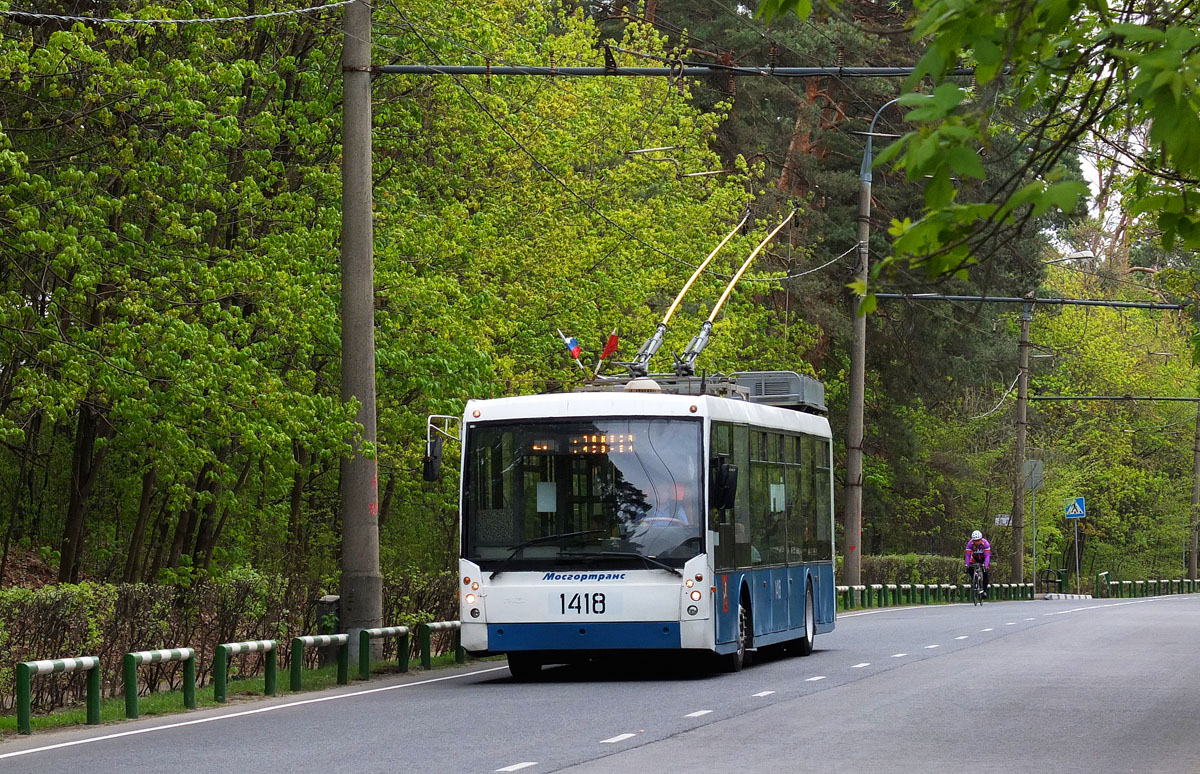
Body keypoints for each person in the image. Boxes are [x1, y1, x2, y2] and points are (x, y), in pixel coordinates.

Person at [964, 529, 991, 597]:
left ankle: (984, 591)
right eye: (975, 541)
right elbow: (967, 555)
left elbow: (987, 556)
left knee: (985, 574)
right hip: (974, 558)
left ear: (981, 539)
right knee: (969, 568)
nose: (976, 542)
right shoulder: (970, 544)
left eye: (978, 540)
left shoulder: (985, 544)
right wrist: (967, 564)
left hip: (983, 558)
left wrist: (985, 565)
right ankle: (975, 578)